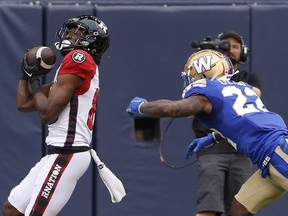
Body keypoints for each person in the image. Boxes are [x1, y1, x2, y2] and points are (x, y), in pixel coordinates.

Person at [126, 49, 288, 216]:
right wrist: (214, 137)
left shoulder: (207, 92)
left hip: (278, 151)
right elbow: (242, 121)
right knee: (241, 206)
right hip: (270, 157)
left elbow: (171, 109)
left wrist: (142, 107)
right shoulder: (241, 87)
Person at [2, 15, 111, 215]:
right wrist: (25, 74)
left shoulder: (79, 58)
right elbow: (24, 103)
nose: (69, 35)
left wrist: (34, 80)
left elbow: (47, 113)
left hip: (68, 152)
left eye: (77, 32)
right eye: (69, 31)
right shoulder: (75, 67)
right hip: (59, 152)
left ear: (93, 40)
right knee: (12, 210)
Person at [191, 30, 261, 216]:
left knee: (243, 209)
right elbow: (189, 112)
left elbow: (254, 96)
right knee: (208, 208)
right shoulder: (203, 79)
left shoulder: (248, 78)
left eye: (236, 46)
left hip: (240, 151)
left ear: (243, 51)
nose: (231, 50)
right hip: (211, 152)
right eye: (225, 45)